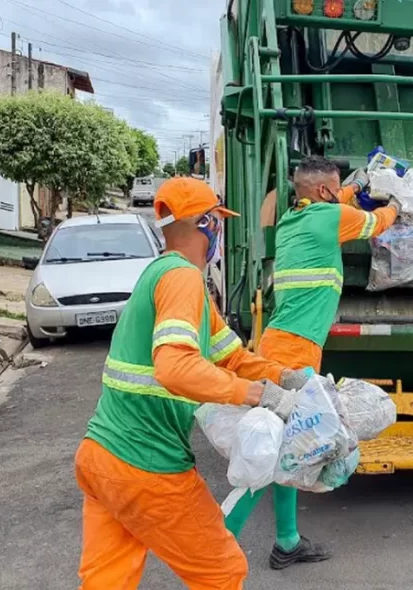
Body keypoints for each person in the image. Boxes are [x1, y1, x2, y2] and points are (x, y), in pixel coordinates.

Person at [74, 177, 310, 590]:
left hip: (101, 457)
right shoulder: (182, 278)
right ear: (207, 225)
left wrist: (285, 377)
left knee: (107, 579)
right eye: (218, 221)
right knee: (220, 572)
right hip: (148, 464)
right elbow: (175, 369)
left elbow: (232, 357)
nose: (220, 230)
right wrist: (262, 396)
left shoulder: (168, 278)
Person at [225, 155, 402, 569]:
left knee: (288, 449)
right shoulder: (328, 218)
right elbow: (379, 223)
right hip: (292, 358)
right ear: (323, 192)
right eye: (335, 187)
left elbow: (334, 200)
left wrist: (354, 188)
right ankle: (217, 550)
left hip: (282, 347)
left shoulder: (295, 218)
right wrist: (398, 200)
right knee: (268, 457)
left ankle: (287, 541)